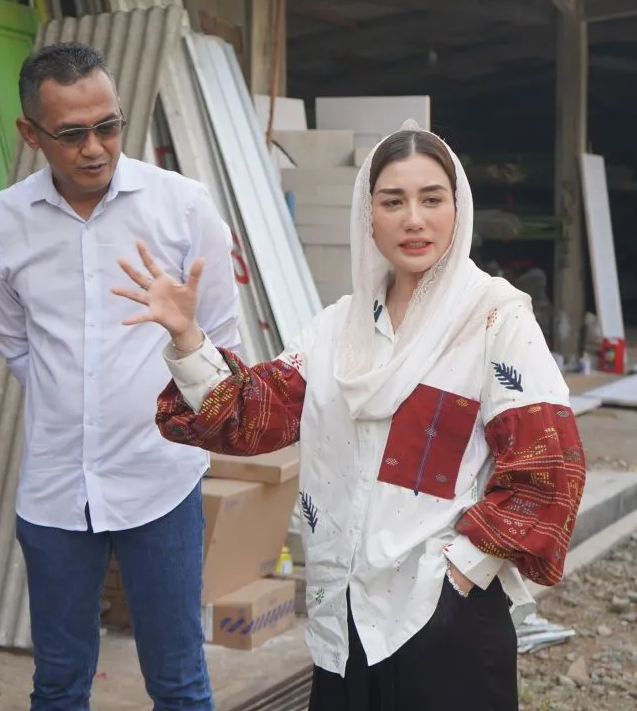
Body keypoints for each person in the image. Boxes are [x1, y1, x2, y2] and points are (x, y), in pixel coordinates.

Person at [113, 122, 588, 710]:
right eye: (392, 201)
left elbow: (550, 467)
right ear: (368, 215)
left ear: (458, 208)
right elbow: (254, 414)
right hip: (345, 617)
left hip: (442, 619)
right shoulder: (338, 329)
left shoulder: (494, 319)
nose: (413, 219)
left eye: (431, 199)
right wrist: (188, 336)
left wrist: (462, 573)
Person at [0, 42, 240, 710]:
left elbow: (222, 341)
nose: (95, 149)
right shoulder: (2, 221)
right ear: (30, 134)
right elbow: (13, 341)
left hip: (161, 477)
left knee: (179, 680)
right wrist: (75, 406)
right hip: (56, 485)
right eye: (71, 134)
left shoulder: (182, 206)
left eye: (108, 126)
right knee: (59, 682)